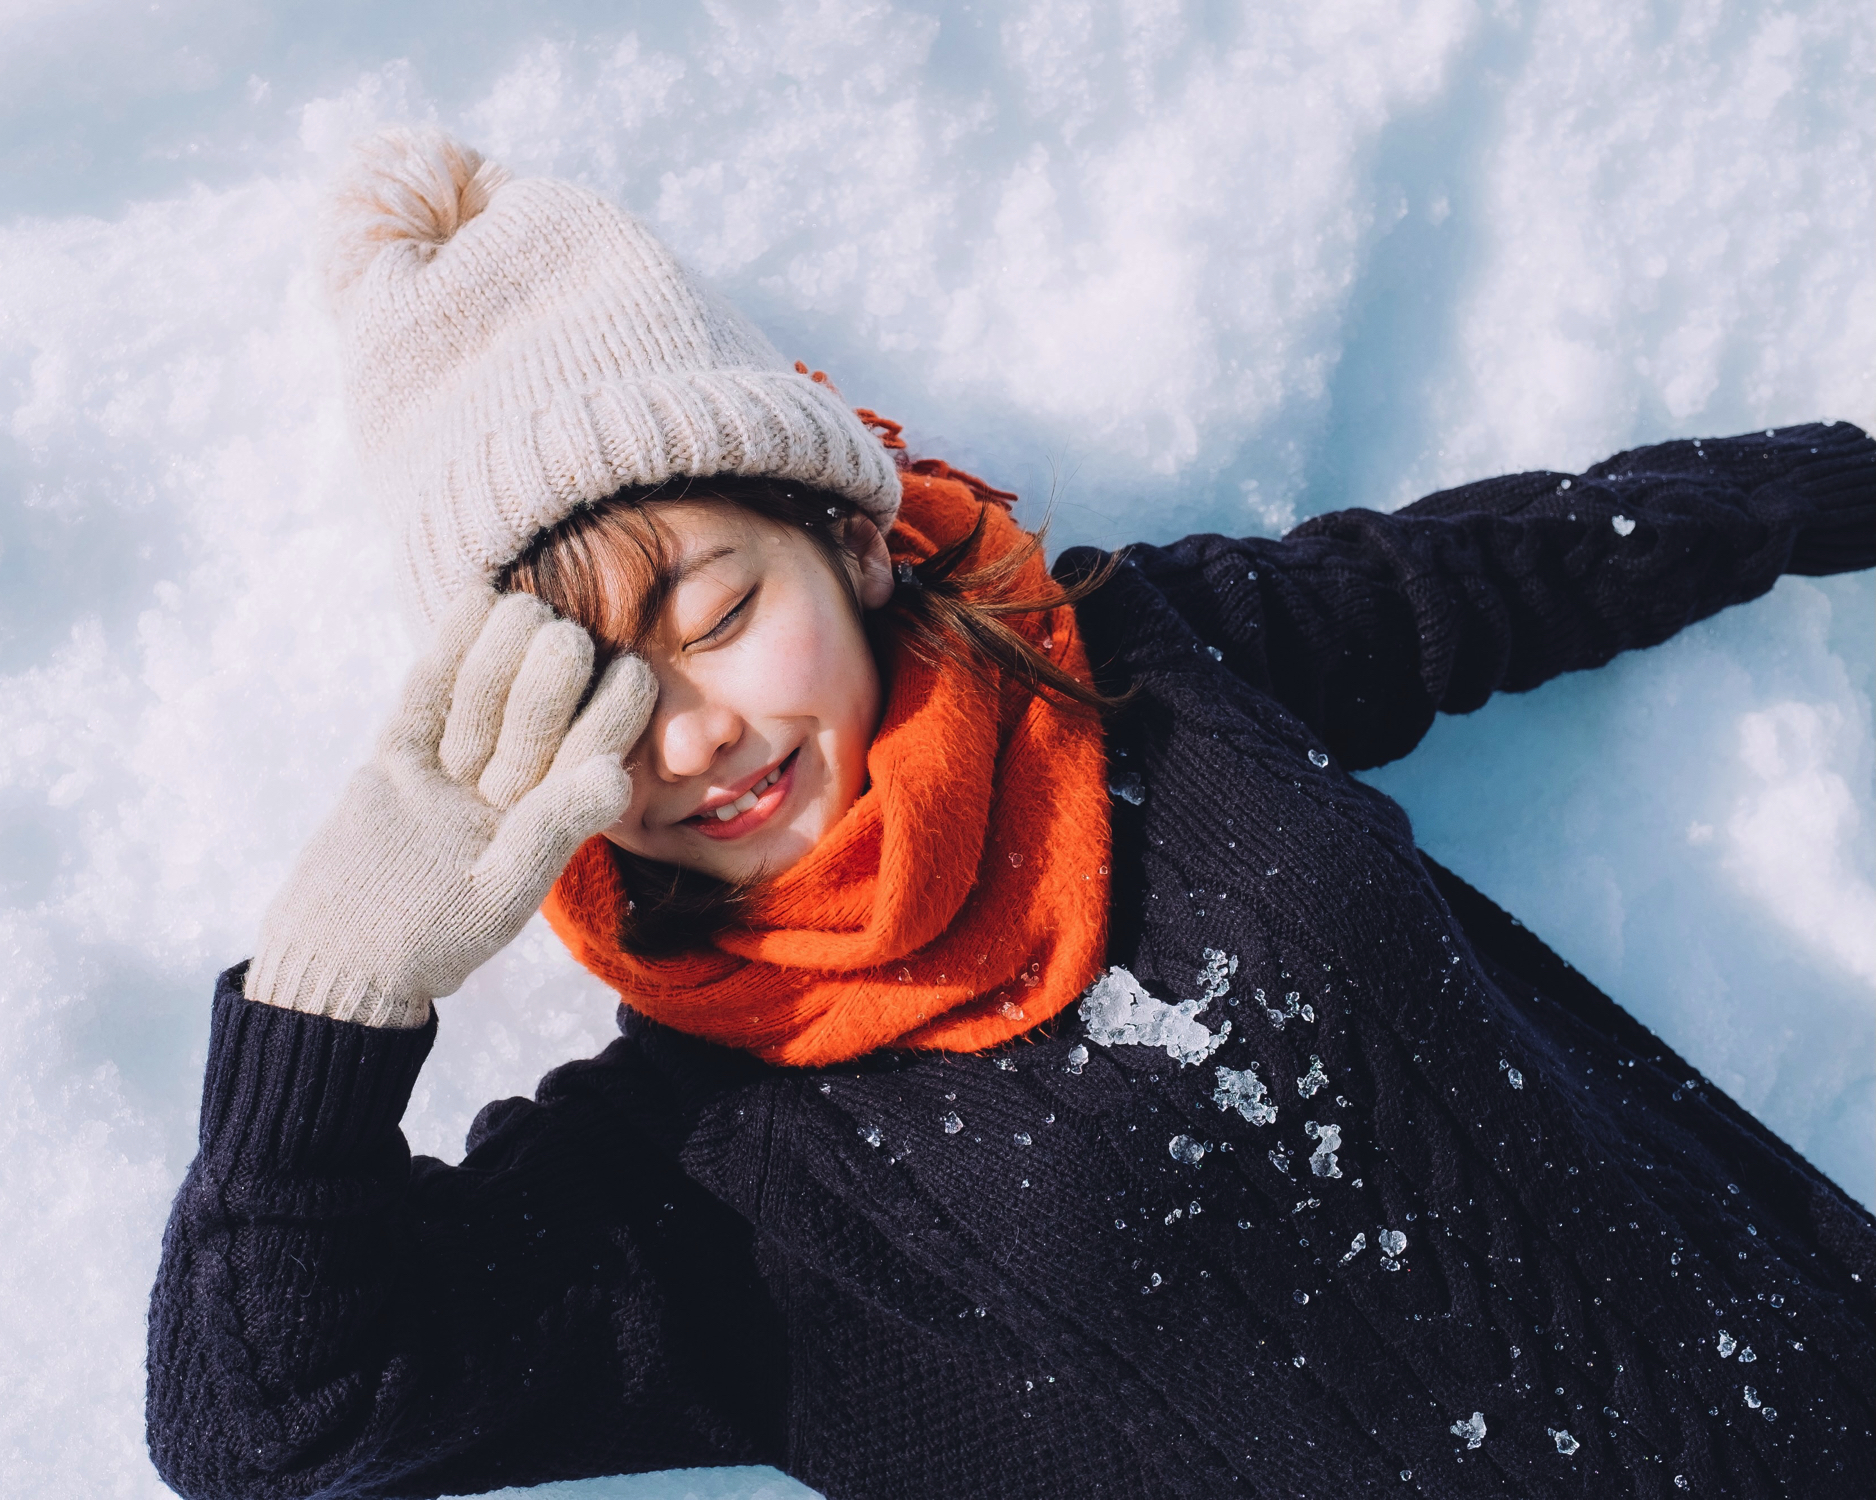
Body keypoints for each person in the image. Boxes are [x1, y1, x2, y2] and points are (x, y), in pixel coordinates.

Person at [144, 130, 1876, 1500]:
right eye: (596, 694)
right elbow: (270, 1428)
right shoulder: (690, 1173)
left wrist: (1832, 481)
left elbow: (1514, 568)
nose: (691, 739)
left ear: (847, 534)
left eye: (719, 612)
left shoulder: (1133, 676)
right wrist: (335, 997)